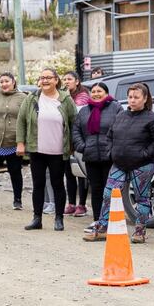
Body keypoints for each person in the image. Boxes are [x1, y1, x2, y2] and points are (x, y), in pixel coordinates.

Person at [84, 83, 154, 243]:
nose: (132, 100)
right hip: (119, 164)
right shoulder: (121, 115)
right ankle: (102, 228)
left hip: (142, 165)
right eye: (130, 97)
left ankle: (140, 231)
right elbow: (109, 136)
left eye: (136, 97)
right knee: (108, 195)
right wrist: (111, 153)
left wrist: (144, 155)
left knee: (142, 198)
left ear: (145, 98)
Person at [16, 68, 77, 231]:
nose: (45, 81)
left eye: (48, 78)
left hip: (58, 150)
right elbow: (21, 120)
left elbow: (74, 122)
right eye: (42, 78)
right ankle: (37, 218)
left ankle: (59, 218)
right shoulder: (32, 98)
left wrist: (73, 144)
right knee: (38, 184)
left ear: (56, 80)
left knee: (58, 184)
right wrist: (20, 143)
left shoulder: (65, 99)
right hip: (37, 149)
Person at [71, 82, 122, 228]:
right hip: (91, 156)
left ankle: (112, 220)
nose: (96, 94)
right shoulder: (84, 111)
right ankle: (98, 220)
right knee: (96, 188)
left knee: (111, 189)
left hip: (109, 156)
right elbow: (76, 130)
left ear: (106, 93)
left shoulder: (116, 108)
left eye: (99, 91)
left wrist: (113, 148)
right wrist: (82, 147)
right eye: (93, 91)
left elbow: (120, 129)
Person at [0, 72, 27, 210]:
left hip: (13, 143)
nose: (4, 84)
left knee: (15, 172)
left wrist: (23, 142)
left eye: (7, 81)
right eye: (1, 82)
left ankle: (17, 200)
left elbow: (26, 120)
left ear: (13, 82)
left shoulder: (23, 98)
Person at [62, 71, 91, 218]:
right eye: (64, 79)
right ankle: (71, 203)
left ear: (77, 81)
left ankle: (82, 205)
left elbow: (74, 110)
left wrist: (65, 96)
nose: (66, 81)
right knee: (69, 173)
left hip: (80, 138)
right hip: (66, 139)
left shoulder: (83, 95)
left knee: (81, 174)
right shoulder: (64, 95)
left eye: (70, 79)